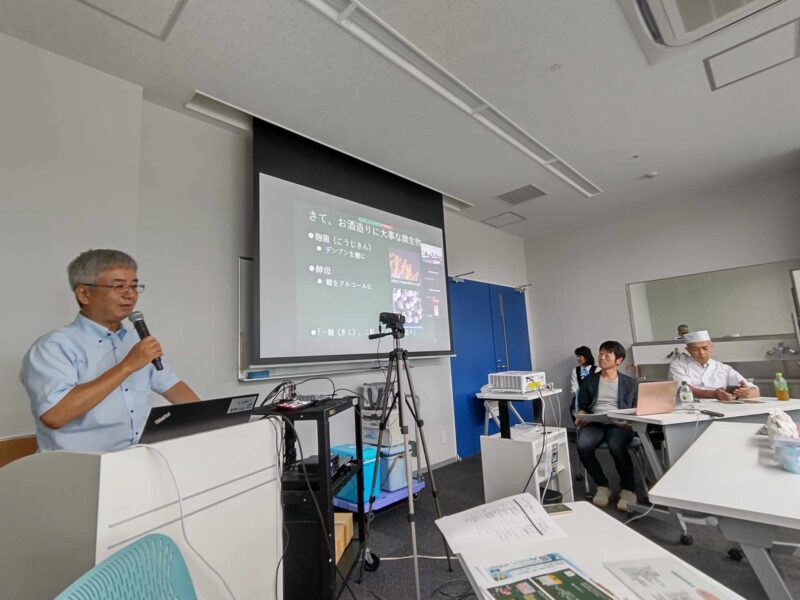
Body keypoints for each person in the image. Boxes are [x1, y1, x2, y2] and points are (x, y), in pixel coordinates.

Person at [20, 249, 200, 452]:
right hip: (78, 469)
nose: (130, 294)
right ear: (84, 293)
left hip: (136, 459)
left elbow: (173, 387)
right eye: (118, 286)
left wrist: (208, 420)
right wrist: (126, 366)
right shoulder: (53, 347)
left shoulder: (134, 340)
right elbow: (55, 415)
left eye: (134, 286)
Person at [575, 340, 639, 511]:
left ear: (618, 360)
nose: (602, 357)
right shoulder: (590, 380)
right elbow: (582, 405)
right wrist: (581, 415)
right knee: (583, 445)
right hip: (595, 421)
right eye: (600, 353)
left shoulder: (631, 383)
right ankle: (602, 486)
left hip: (620, 424)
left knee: (616, 445)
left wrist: (628, 421)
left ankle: (628, 490)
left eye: (607, 354)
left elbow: (638, 408)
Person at [669, 330, 759, 400]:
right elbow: (684, 388)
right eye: (695, 349)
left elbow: (754, 390)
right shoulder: (678, 365)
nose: (701, 353)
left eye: (705, 348)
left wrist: (747, 392)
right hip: (689, 407)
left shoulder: (723, 368)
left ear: (712, 347)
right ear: (687, 350)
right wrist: (714, 394)